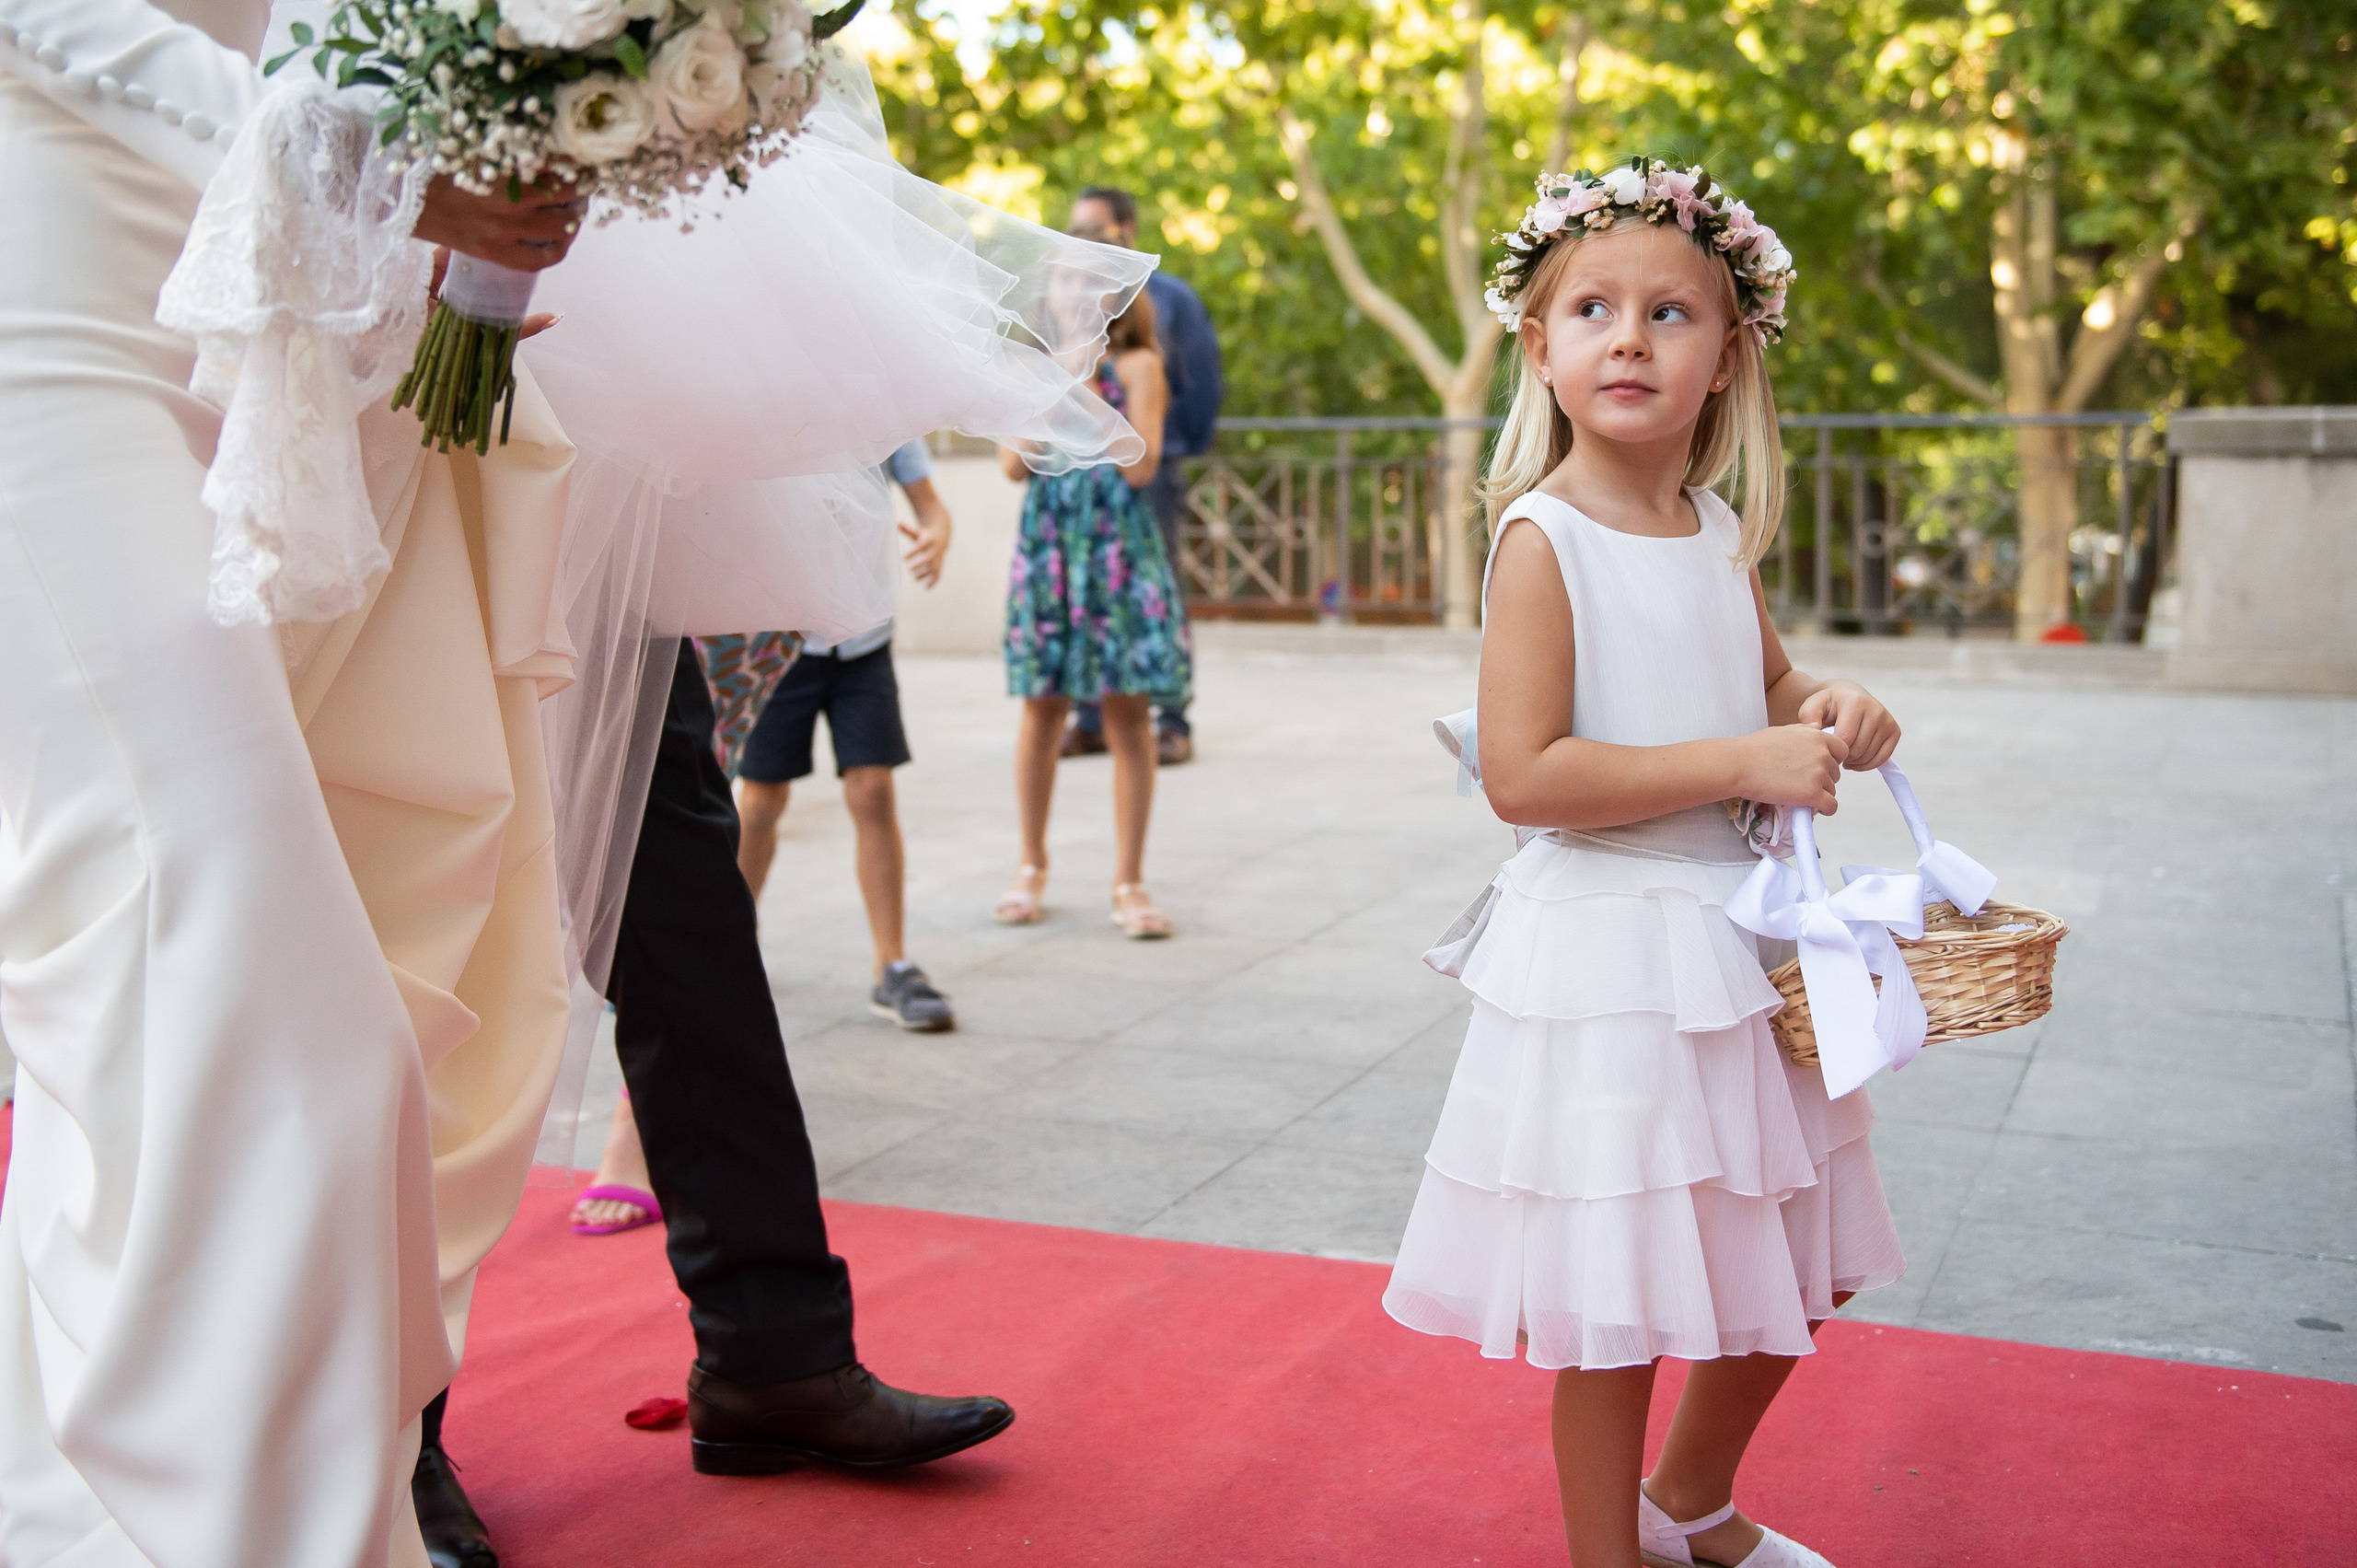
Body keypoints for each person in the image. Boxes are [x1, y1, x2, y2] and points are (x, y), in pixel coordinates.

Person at [0, 3, 586, 1562]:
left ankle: (74, 1512)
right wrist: (386, 171)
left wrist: (457, 233)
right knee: (278, 1014)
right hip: (45, 304)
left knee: (150, 1005)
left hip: (273, 325)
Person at [1381, 164, 1907, 1568]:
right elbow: (1526, 774)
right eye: (1593, 311)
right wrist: (1742, 758)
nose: (1629, 339)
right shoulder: (1544, 541)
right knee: (1618, 1299)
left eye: (1670, 313)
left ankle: (1693, 1497)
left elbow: (1767, 681)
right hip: (1615, 946)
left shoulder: (1717, 529)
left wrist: (1831, 706)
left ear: (1726, 355)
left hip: (1737, 936)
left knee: (1800, 1250)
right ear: (1540, 348)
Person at [737, 438, 958, 1031]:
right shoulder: (772, 411)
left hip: (863, 641)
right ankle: (728, 941)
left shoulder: (886, 415)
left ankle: (893, 965)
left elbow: (932, 508)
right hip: (780, 639)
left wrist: (937, 535)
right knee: (760, 802)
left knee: (873, 790)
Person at [994, 285, 1190, 939]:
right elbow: (1012, 465)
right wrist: (1058, 379)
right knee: (1042, 709)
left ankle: (1129, 880)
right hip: (1051, 545)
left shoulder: (1139, 366)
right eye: (1065, 279)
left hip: (1116, 549)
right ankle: (1030, 864)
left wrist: (1086, 385)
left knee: (1128, 714)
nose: (1078, 293)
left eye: (1091, 280)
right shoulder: (1036, 367)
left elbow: (1141, 467)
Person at [1061, 185, 1223, 767]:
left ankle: (1171, 718)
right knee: (1084, 591)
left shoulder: (1170, 298)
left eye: (1098, 228)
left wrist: (1175, 446)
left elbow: (1202, 380)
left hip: (1146, 470)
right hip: (1078, 479)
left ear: (1127, 230)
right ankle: (1089, 718)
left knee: (1157, 594)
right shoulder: (1065, 315)